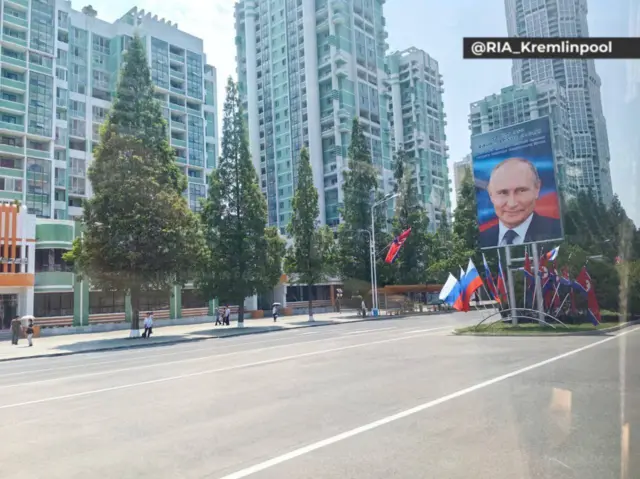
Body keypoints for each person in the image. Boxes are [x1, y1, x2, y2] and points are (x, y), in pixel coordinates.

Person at [479, 157, 562, 248]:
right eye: (503, 192)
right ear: (491, 194)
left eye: (521, 190)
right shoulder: (482, 239)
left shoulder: (557, 231)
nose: (512, 204)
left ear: (537, 188)